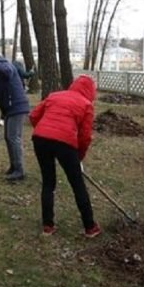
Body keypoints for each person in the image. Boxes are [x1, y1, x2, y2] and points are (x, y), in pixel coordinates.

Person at [29, 75, 101, 238]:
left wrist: (44, 131)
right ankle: (90, 227)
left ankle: (48, 226)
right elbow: (85, 137)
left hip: (40, 139)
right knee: (77, 184)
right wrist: (79, 158)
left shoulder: (55, 95)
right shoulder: (86, 105)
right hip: (65, 144)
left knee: (48, 182)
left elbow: (33, 116)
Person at [0, 50, 31, 182]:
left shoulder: (6, 65)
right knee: (9, 138)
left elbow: (8, 73)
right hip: (9, 109)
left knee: (13, 137)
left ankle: (19, 171)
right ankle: (14, 166)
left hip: (17, 107)